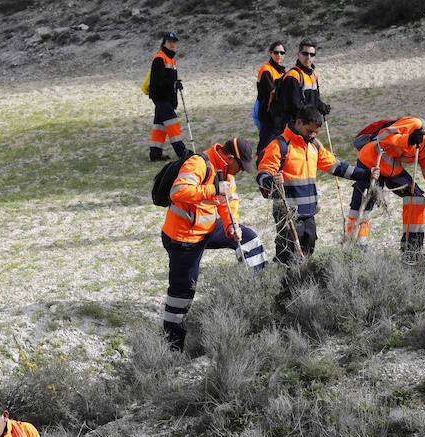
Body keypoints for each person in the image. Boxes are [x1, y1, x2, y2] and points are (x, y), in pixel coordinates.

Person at [161, 137, 268, 351]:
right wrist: (213, 190)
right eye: (240, 165)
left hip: (208, 229)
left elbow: (229, 203)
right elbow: (178, 192)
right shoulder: (199, 163)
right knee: (182, 294)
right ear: (230, 158)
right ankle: (172, 346)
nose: (240, 171)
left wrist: (232, 226)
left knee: (248, 237)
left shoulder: (227, 172)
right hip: (184, 238)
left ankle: (260, 288)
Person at [256, 106, 379, 262]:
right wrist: (271, 181)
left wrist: (366, 174)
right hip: (287, 212)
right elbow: (262, 174)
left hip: (309, 212)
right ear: (299, 123)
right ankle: (287, 284)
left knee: (309, 244)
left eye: (315, 132)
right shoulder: (279, 145)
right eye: (309, 131)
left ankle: (303, 282)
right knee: (288, 252)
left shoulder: (314, 144)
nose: (312, 135)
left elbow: (336, 167)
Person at [346, 117, 425, 252]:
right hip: (371, 161)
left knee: (416, 197)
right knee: (362, 206)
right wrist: (408, 140)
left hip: (392, 169)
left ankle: (411, 249)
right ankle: (354, 249)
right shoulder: (417, 125)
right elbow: (383, 136)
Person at [271, 39, 330, 130]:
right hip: (294, 126)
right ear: (298, 55)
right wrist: (311, 116)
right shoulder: (293, 75)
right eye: (305, 53)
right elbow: (294, 105)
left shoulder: (313, 75)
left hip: (307, 125)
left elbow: (314, 99)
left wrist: (322, 106)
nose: (308, 57)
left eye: (312, 54)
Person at [148, 31, 188, 161]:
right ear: (164, 43)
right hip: (161, 97)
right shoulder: (160, 58)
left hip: (166, 98)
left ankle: (155, 154)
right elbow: (157, 81)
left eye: (174, 42)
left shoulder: (171, 58)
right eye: (169, 41)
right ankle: (182, 153)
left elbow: (169, 79)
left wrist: (177, 83)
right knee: (172, 124)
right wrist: (174, 84)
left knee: (159, 126)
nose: (172, 44)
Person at [255, 41, 287, 154]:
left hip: (279, 117)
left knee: (278, 149)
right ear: (270, 53)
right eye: (276, 52)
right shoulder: (266, 70)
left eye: (282, 53)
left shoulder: (282, 71)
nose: (279, 55)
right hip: (268, 116)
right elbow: (272, 92)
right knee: (265, 149)